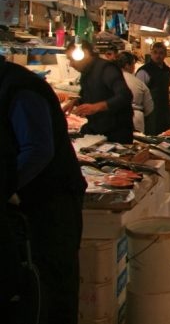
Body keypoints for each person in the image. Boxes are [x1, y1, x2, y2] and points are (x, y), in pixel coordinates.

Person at [0, 54, 87, 324]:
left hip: (51, 203)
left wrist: (6, 185)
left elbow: (38, 149)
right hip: (27, 202)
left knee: (52, 286)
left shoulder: (19, 87)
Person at [65, 41, 134, 143]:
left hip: (116, 134)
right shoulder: (86, 73)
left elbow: (125, 95)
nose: (71, 64)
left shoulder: (106, 69)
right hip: (97, 131)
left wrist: (96, 107)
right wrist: (76, 102)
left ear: (84, 53)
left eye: (72, 59)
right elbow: (95, 96)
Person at [136, 41, 170, 136]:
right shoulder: (144, 71)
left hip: (165, 110)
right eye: (155, 52)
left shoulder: (168, 70)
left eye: (161, 53)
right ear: (151, 53)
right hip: (150, 112)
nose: (158, 55)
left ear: (165, 55)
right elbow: (138, 93)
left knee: (166, 137)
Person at [117, 51, 154, 132]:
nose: (134, 67)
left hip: (114, 117)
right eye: (133, 64)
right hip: (136, 118)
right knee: (134, 143)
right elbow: (149, 107)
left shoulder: (109, 80)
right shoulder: (139, 83)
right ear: (127, 65)